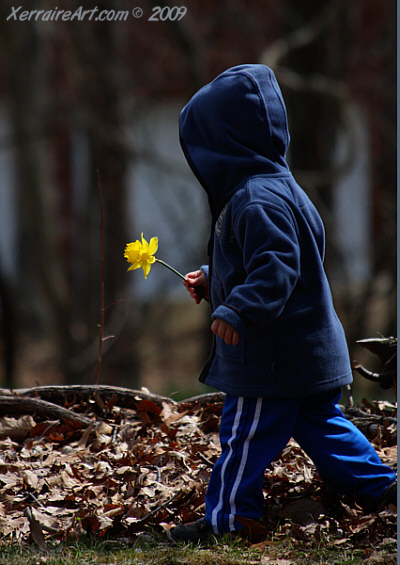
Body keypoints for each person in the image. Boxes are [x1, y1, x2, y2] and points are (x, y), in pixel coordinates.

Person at [167, 64, 397, 543]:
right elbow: (279, 261)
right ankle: (383, 487)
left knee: (244, 436)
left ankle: (230, 519)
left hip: (270, 359)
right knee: (323, 425)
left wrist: (237, 309)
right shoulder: (281, 188)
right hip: (309, 351)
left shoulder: (254, 199)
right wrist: (216, 281)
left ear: (223, 144)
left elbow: (277, 268)